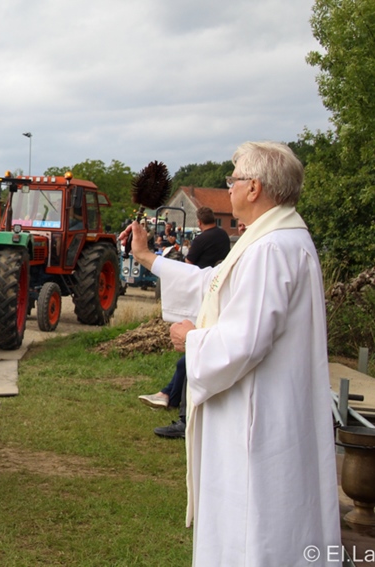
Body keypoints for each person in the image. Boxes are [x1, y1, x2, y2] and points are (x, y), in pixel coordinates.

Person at [127, 141, 340, 565]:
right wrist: (147, 257)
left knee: (253, 532)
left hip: (258, 420)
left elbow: (245, 340)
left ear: (255, 187)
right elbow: (213, 283)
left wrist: (192, 339)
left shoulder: (270, 248)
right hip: (265, 409)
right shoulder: (274, 238)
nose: (229, 187)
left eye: (234, 179)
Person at [138, 207, 231, 438]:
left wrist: (145, 256)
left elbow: (191, 268)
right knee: (187, 361)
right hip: (214, 294)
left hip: (205, 294)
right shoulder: (223, 236)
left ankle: (182, 416)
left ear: (199, 222)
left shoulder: (202, 240)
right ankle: (169, 397)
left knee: (191, 357)